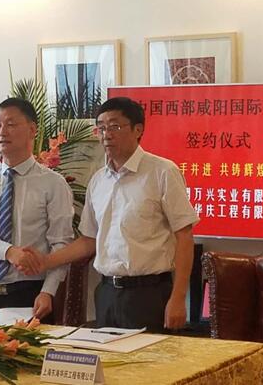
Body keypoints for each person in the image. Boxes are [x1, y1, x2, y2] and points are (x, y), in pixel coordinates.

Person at [20, 97, 199, 331]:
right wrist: (46, 261)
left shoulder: (162, 172)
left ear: (138, 130)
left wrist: (178, 297)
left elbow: (184, 236)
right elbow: (89, 240)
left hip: (149, 294)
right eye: (101, 128)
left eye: (114, 126)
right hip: (106, 294)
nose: (106, 135)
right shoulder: (98, 180)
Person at [0, 97, 74, 321]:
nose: (2, 132)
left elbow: (61, 243)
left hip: (31, 292)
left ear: (32, 130)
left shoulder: (53, 183)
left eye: (11, 124)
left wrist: (48, 291)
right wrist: (9, 252)